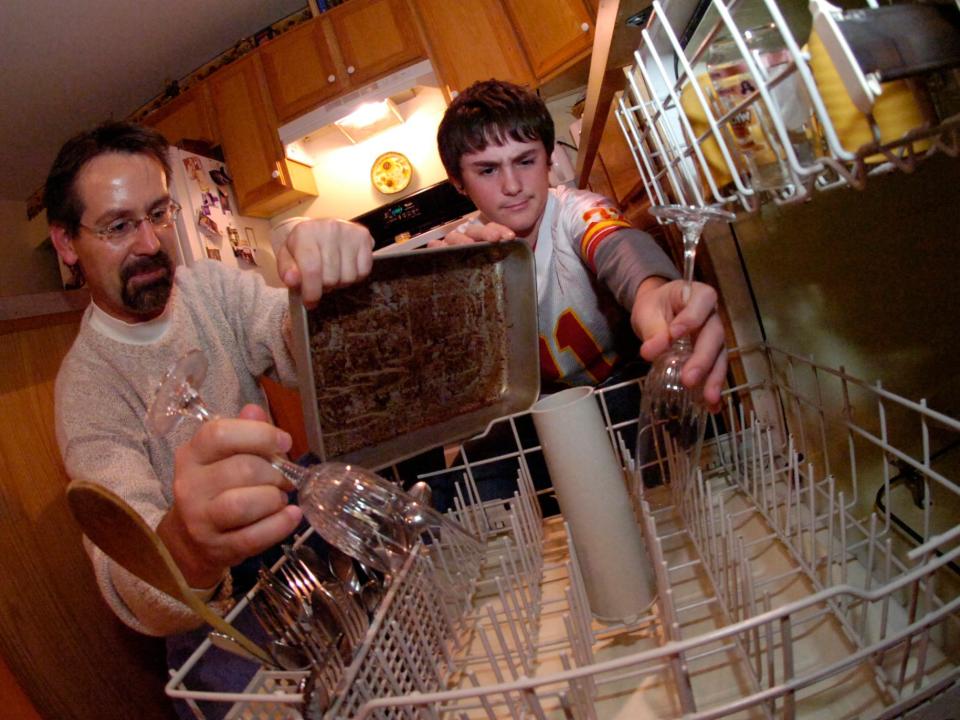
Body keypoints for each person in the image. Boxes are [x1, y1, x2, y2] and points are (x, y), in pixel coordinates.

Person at [45, 121, 375, 644]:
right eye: (118, 227)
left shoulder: (209, 288)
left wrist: (317, 286)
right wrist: (190, 548)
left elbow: (291, 343)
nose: (151, 243)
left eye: (157, 214)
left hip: (294, 530)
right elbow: (131, 576)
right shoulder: (85, 391)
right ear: (66, 242)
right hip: (222, 605)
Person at [428, 79, 727, 407]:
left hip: (629, 378)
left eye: (525, 161)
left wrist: (651, 292)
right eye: (487, 170)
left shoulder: (575, 210)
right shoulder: (467, 254)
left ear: (549, 160)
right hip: (553, 405)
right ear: (458, 182)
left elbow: (617, 246)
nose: (512, 185)